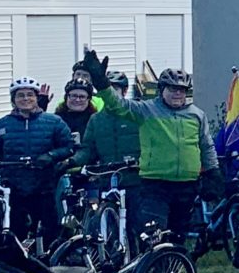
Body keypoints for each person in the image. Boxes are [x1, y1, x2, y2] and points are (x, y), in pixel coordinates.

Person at [75, 56, 214, 245]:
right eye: (172, 89)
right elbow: (118, 105)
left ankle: (174, 271)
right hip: (155, 184)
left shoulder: (196, 114)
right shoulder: (147, 110)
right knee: (155, 235)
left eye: (181, 90)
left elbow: (206, 146)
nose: (177, 94)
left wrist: (213, 172)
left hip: (187, 184)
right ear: (161, 90)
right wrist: (101, 82)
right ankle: (153, 271)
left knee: (177, 236)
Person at [0, 77, 75, 246]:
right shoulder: (3, 124)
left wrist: (51, 155)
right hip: (13, 184)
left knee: (48, 227)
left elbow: (68, 146)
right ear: (13, 100)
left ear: (37, 98)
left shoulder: (53, 122)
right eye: (20, 95)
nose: (25, 99)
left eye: (30, 95)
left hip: (44, 184)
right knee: (15, 227)